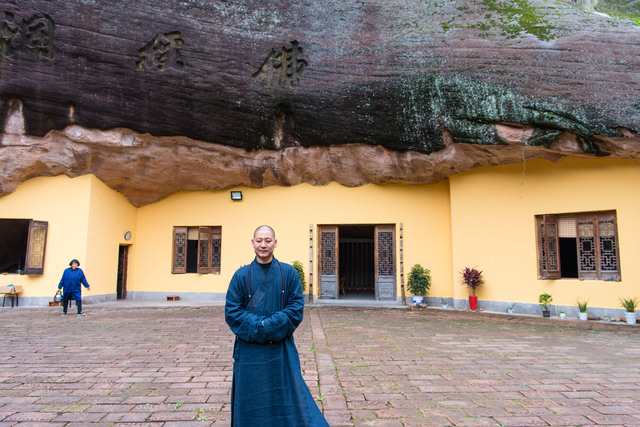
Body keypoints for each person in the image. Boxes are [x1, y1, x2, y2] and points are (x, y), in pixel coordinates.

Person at [225, 226, 330, 427]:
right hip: (249, 351)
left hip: (280, 347)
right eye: (259, 240)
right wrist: (260, 325)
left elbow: (295, 309)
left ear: (275, 243)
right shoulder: (241, 275)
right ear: (252, 243)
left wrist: (269, 325)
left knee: (286, 393)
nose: (263, 245)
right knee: (251, 396)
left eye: (267, 240)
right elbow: (232, 312)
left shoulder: (289, 274)